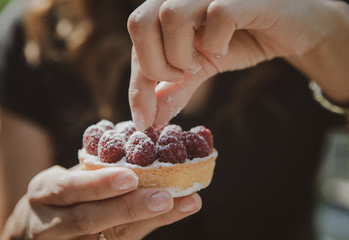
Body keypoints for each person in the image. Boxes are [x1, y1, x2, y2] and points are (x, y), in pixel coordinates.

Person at [0, 0, 348, 240]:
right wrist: (23, 231)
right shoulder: (32, 34)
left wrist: (325, 36)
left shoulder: (301, 17)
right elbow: (12, 220)